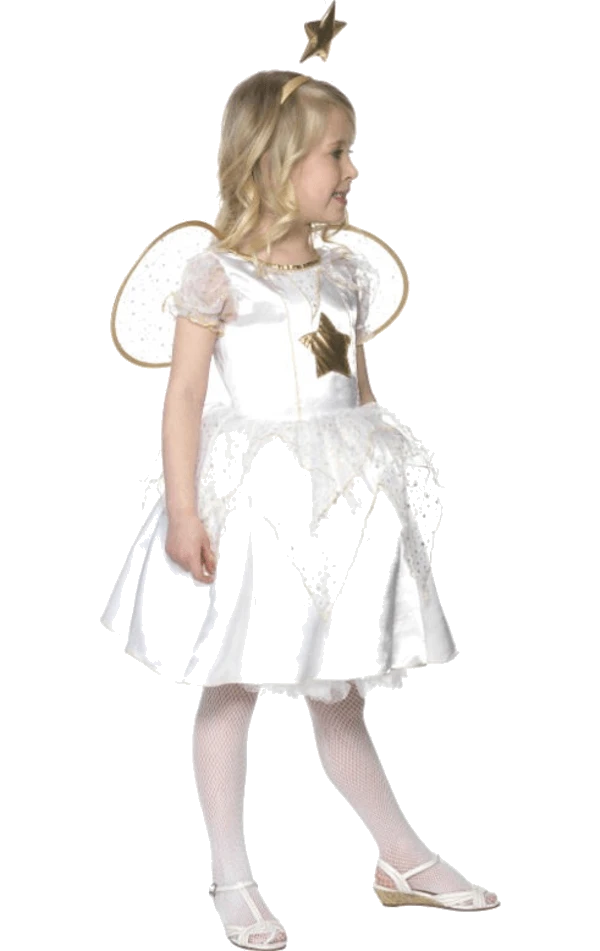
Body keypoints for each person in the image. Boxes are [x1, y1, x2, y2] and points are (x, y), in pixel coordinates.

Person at [102, 71, 498, 948]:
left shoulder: (346, 271)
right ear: (276, 164)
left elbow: (357, 393)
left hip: (339, 506)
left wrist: (383, 503)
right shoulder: (218, 275)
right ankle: (230, 876)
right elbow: (183, 398)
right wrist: (182, 512)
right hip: (255, 501)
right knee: (230, 680)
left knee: (340, 686)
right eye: (335, 153)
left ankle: (400, 858)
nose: (350, 169)